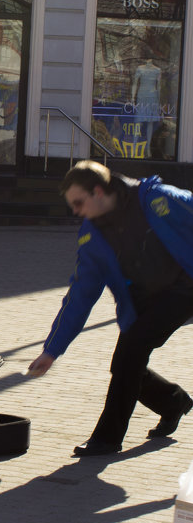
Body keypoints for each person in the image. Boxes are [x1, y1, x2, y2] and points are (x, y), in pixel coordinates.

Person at [29, 160, 193, 457]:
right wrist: (52, 349)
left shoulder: (158, 200)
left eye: (79, 203)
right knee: (123, 364)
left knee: (133, 349)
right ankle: (174, 402)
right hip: (142, 298)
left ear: (99, 192)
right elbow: (80, 294)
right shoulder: (92, 238)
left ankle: (107, 439)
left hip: (184, 288)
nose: (77, 211)